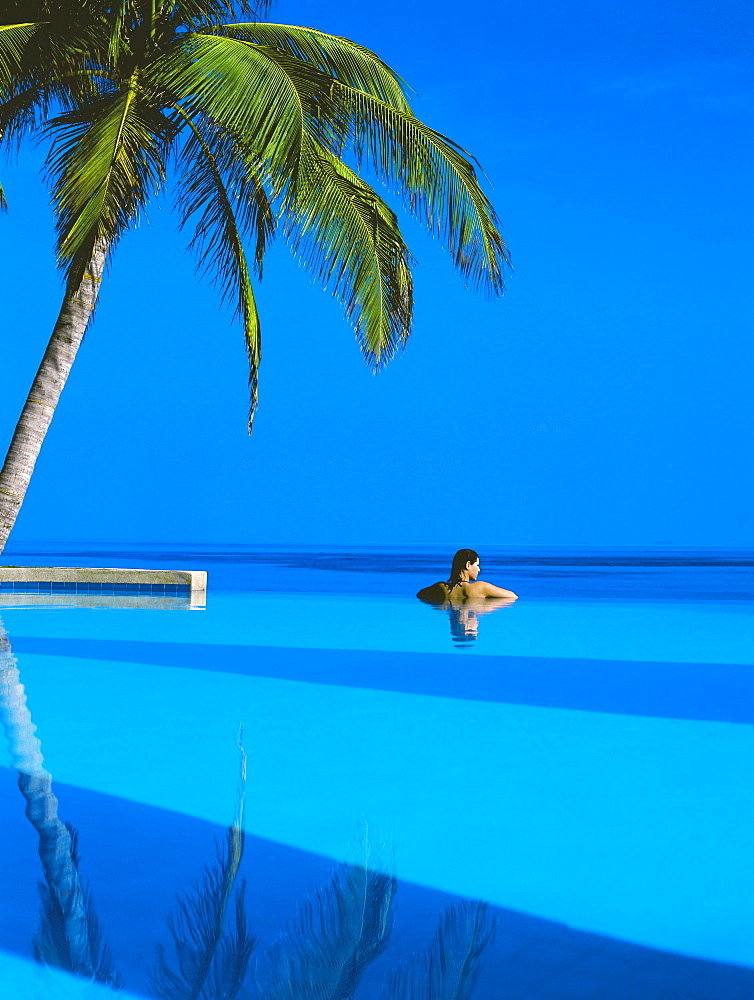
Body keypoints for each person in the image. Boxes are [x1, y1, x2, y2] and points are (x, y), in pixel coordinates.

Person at [416, 548, 518, 604]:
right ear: (468, 565)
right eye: (477, 565)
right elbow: (513, 596)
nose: (479, 569)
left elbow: (420, 595)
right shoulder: (481, 587)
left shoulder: (441, 587)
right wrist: (487, 607)